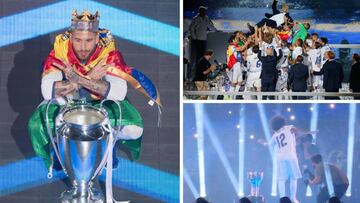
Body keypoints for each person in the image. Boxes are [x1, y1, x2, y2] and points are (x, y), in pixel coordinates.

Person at [28, 10, 160, 172]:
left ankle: (109, 143)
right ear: (70, 37)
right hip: (67, 103)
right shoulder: (60, 52)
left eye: (89, 40)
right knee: (38, 124)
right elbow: (47, 91)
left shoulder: (108, 53)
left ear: (97, 38)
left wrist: (79, 79)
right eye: (77, 40)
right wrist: (90, 77)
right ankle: (60, 148)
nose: (83, 47)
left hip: (99, 103)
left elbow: (119, 92)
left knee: (134, 129)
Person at [269, 116, 317, 203]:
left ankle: (282, 198)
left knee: (281, 179)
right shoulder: (289, 127)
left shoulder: (275, 135)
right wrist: (310, 132)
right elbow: (298, 131)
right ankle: (293, 198)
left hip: (280, 157)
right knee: (293, 177)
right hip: (290, 156)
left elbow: (270, 144)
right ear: (282, 122)